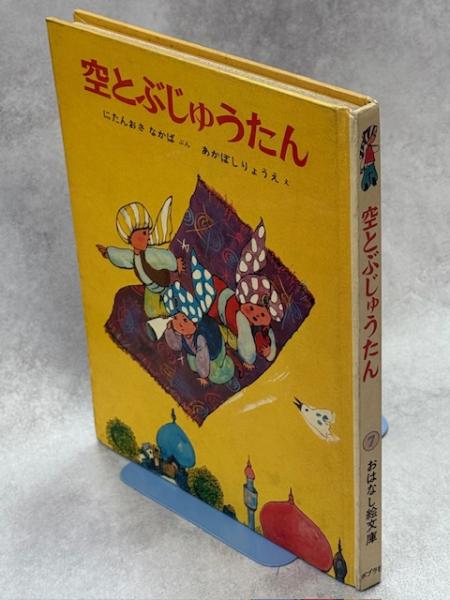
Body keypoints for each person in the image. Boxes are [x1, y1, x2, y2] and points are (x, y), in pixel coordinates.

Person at [208, 219, 284, 371]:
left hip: (223, 306)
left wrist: (268, 351)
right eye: (251, 309)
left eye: (260, 314)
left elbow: (261, 340)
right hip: (220, 299)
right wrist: (249, 358)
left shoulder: (262, 327)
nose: (255, 315)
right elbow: (247, 346)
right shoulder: (242, 318)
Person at [96, 197, 184, 318]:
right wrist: (108, 253)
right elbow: (122, 257)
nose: (148, 237)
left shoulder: (150, 254)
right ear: (130, 237)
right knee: (151, 311)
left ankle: (172, 308)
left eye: (147, 233)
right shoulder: (133, 257)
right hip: (152, 289)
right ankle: (166, 311)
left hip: (165, 284)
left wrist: (175, 264)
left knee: (175, 299)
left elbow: (163, 256)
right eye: (144, 233)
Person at [162, 252, 235, 386]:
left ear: (194, 322)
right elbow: (177, 345)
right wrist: (169, 331)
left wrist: (203, 376)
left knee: (217, 370)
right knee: (193, 364)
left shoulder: (201, 337)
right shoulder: (182, 330)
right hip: (194, 350)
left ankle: (223, 359)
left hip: (214, 349)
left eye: (185, 320)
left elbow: (203, 354)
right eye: (176, 318)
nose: (180, 324)